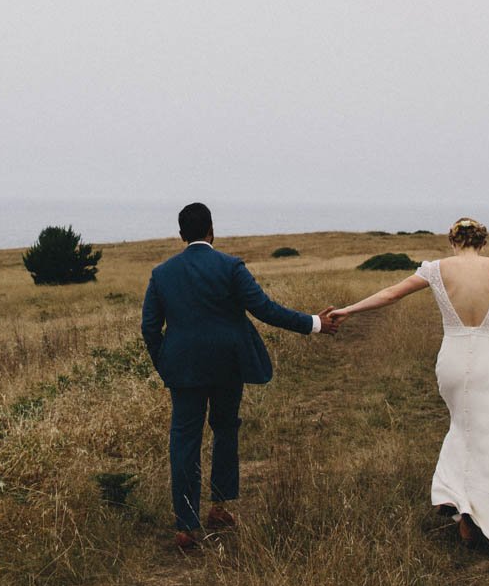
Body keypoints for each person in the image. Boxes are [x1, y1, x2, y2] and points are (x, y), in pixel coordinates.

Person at [141, 202, 341, 551]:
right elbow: (265, 309)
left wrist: (166, 363)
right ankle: (219, 507)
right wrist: (314, 323)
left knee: (184, 441)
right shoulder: (230, 266)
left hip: (183, 370)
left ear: (181, 235)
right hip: (227, 366)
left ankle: (186, 526)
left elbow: (149, 328)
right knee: (225, 429)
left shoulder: (162, 273)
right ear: (211, 231)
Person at [332, 217, 489, 545]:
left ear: (453, 242)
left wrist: (348, 310)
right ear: (483, 243)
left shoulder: (436, 269)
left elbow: (392, 294)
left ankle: (456, 497)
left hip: (451, 358)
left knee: (461, 426)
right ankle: (480, 513)